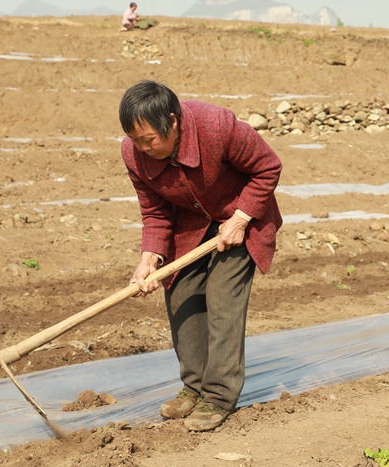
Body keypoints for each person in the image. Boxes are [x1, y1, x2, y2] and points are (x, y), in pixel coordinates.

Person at [118, 80, 283, 432]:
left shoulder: (217, 126)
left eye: (151, 139)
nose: (144, 148)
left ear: (174, 122)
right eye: (136, 140)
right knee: (180, 295)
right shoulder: (134, 155)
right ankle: (194, 387)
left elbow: (268, 167)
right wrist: (150, 257)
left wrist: (240, 219)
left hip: (243, 218)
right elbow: (155, 212)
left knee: (222, 299)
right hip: (190, 226)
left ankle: (219, 396)